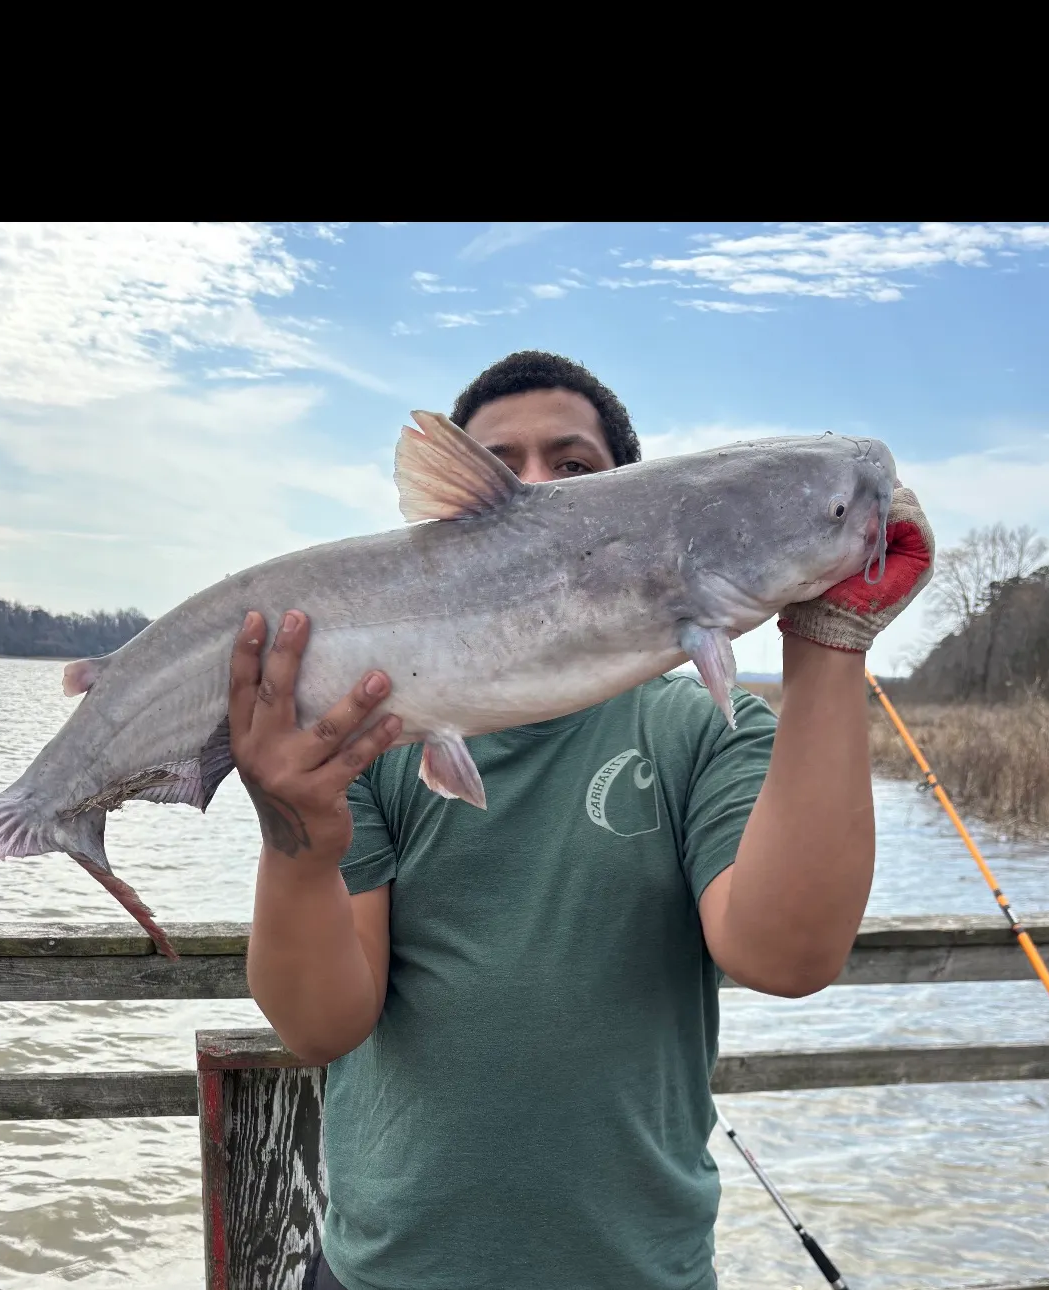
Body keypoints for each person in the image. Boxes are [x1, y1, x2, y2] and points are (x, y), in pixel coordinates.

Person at [228, 351, 934, 1290]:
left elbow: (788, 956)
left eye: (573, 468)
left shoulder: (702, 729)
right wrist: (297, 836)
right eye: (499, 466)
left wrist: (830, 642)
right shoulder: (365, 742)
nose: (536, 492)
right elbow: (319, 1026)